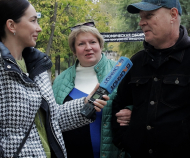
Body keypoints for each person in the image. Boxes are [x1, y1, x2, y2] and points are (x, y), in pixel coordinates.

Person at [0, 0, 109, 158]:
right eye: (33, 20)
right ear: (11, 25)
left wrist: (86, 103)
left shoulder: (37, 68)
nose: (39, 28)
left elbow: (52, 120)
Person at [112, 0, 190, 158]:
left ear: (173, 14)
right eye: (141, 17)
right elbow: (118, 105)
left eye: (149, 16)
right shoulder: (136, 62)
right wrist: (125, 141)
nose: (141, 23)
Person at [52, 23, 131, 158]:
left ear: (100, 46)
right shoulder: (61, 80)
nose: (88, 48)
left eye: (93, 42)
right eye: (81, 44)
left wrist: (131, 111)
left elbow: (141, 102)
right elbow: (53, 119)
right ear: (74, 50)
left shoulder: (119, 71)